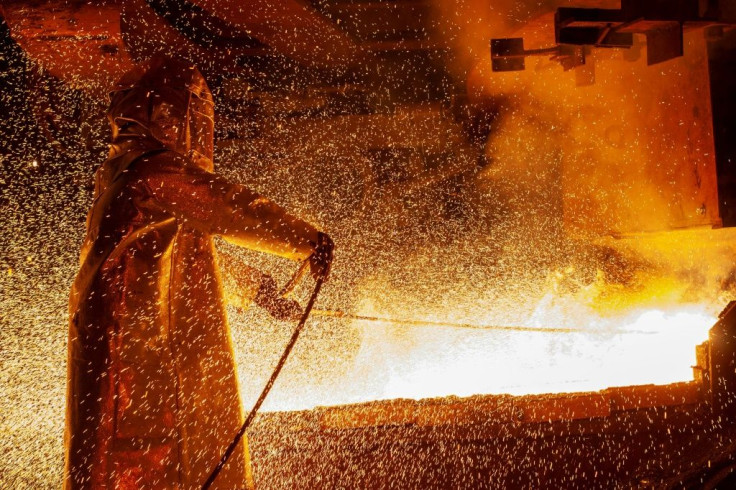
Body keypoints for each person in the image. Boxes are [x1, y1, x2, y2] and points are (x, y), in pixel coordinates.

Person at [64, 56, 333, 489]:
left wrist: (258, 291)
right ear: (173, 117)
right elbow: (227, 206)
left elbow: (182, 257)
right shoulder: (151, 172)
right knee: (145, 457)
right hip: (136, 354)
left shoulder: (125, 175)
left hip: (134, 343)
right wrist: (306, 240)